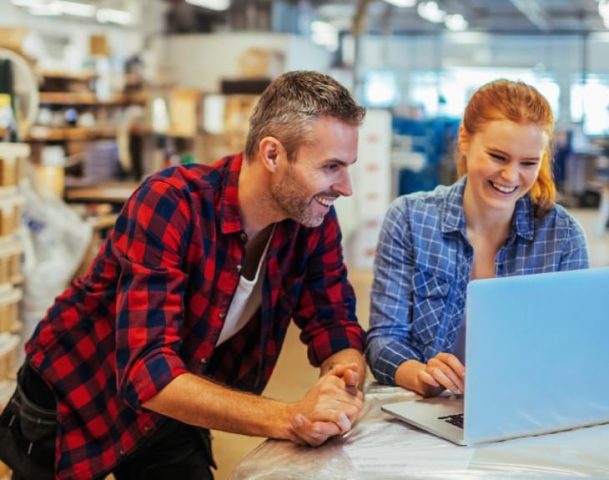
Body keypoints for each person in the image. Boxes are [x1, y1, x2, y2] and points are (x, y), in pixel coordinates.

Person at [0, 71, 367, 480]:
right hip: (78, 394)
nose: (345, 187)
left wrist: (341, 380)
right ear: (272, 154)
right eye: (331, 166)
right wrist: (291, 417)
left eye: (347, 167)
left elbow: (334, 323)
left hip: (174, 404)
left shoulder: (311, 221)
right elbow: (148, 371)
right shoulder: (171, 203)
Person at [366, 79, 589, 398]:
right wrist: (422, 376)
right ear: (465, 139)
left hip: (523, 404)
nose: (511, 177)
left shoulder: (562, 236)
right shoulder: (409, 219)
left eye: (528, 163)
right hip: (430, 407)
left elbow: (573, 347)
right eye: (498, 157)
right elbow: (384, 339)